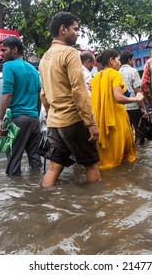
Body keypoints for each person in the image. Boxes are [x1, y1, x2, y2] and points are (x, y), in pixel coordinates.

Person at [38, 12, 100, 187]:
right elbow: (79, 90)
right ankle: (95, 209)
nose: (78, 33)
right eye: (76, 29)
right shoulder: (70, 53)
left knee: (54, 166)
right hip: (73, 120)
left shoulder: (44, 58)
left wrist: (53, 115)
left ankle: (44, 204)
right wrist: (91, 123)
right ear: (63, 29)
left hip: (54, 122)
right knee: (92, 165)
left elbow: (43, 94)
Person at [90, 49, 144, 169]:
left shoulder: (96, 77)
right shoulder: (114, 74)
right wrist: (136, 98)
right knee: (121, 155)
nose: (120, 63)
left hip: (100, 120)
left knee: (105, 156)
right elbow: (118, 98)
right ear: (111, 61)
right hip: (115, 120)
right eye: (118, 60)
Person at [0, 36, 42, 176]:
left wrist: (0, 120)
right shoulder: (33, 70)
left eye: (4, 50)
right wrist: (36, 113)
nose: (1, 53)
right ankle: (39, 187)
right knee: (35, 158)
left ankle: (16, 194)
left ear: (15, 50)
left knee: (13, 159)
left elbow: (7, 94)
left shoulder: (8, 66)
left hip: (17, 119)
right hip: (34, 119)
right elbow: (39, 95)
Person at [119, 50, 148, 146]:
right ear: (129, 60)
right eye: (132, 60)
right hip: (134, 107)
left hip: (122, 108)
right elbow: (137, 92)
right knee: (139, 132)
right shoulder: (133, 71)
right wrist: (144, 108)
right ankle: (140, 152)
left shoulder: (116, 73)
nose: (133, 62)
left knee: (127, 132)